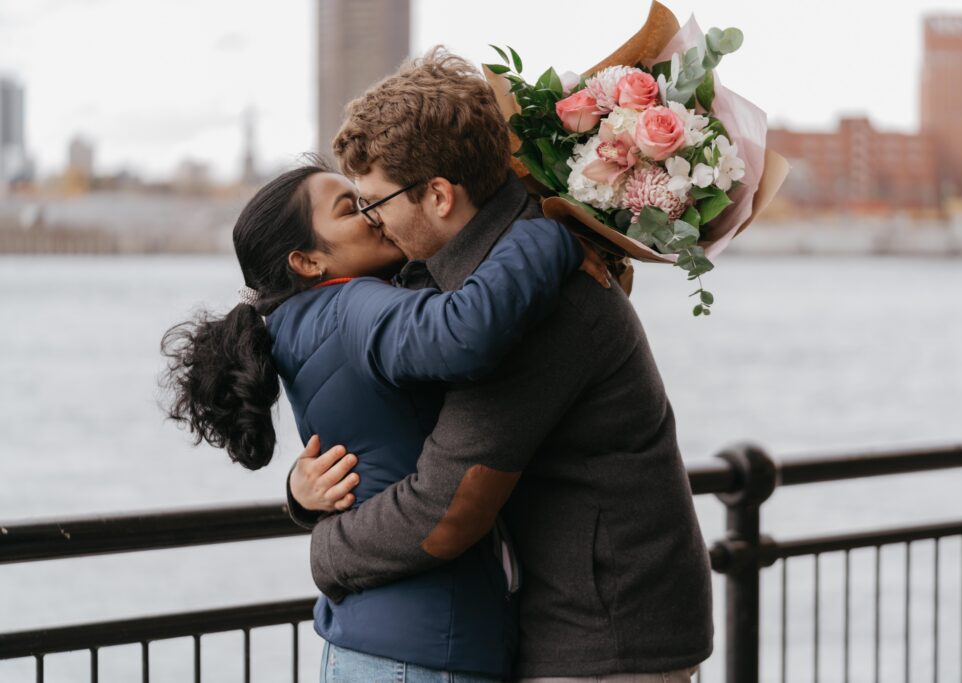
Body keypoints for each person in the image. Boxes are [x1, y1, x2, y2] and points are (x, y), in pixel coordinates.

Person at [287, 48, 713, 682]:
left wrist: (327, 552)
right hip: (585, 620)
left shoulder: (530, 309)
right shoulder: (490, 270)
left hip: (604, 638)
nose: (371, 220)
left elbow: (446, 507)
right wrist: (302, 492)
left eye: (375, 202)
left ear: (437, 195)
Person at [161, 155, 610, 681]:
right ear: (306, 261)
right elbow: (461, 334)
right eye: (351, 208)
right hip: (421, 645)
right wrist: (549, 234)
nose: (373, 212)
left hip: (380, 635)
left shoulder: (297, 322)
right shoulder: (352, 306)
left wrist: (298, 498)